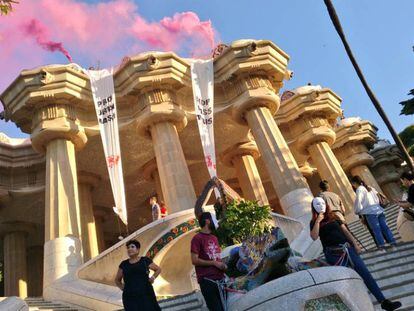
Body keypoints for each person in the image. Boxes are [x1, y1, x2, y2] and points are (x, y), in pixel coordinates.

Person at [310, 197, 402, 311]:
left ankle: (384, 301)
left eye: (322, 203)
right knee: (344, 281)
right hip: (333, 254)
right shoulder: (314, 222)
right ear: (313, 207)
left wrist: (355, 244)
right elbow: (314, 236)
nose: (321, 205)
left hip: (348, 249)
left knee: (365, 274)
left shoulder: (334, 216)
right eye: (317, 204)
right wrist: (318, 220)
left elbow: (345, 231)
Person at [191, 212, 226, 311]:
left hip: (221, 280)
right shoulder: (197, 239)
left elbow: (217, 257)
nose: (216, 222)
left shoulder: (214, 238)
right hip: (208, 282)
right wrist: (214, 263)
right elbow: (194, 260)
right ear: (207, 221)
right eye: (213, 219)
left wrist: (223, 266)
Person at [351, 176, 396, 250]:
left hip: (370, 212)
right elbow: (378, 196)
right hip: (379, 209)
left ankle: (382, 246)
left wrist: (358, 211)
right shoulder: (369, 187)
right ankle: (393, 243)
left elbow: (358, 202)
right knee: (385, 228)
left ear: (354, 183)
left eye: (352, 184)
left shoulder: (359, 189)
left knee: (376, 230)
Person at [115, 240, 162, 311]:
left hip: (146, 294)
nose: (129, 249)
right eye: (128, 247)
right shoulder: (123, 264)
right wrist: (123, 288)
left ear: (138, 249)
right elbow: (117, 280)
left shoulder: (145, 260)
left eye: (132, 247)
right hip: (130, 297)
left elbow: (158, 269)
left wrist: (153, 277)